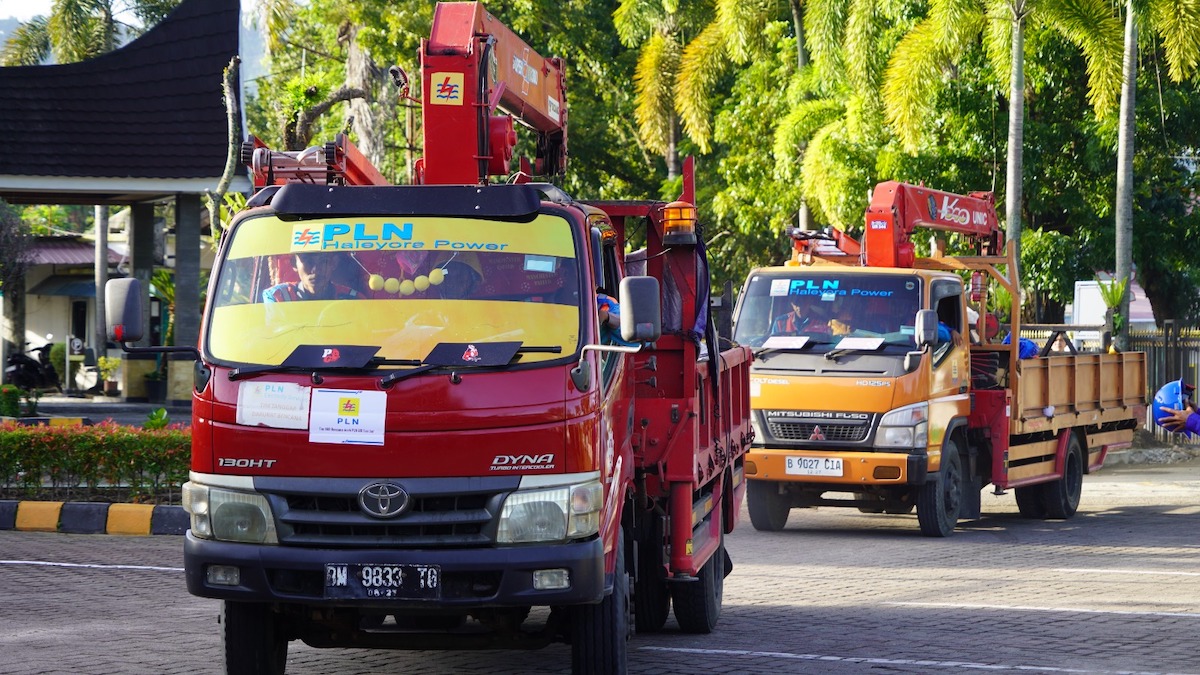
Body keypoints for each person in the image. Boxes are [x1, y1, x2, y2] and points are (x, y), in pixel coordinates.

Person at [262, 252, 360, 302]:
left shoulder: (353, 299)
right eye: (308, 261)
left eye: (323, 261)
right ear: (294, 264)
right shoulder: (278, 297)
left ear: (333, 263)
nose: (315, 270)